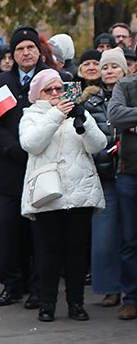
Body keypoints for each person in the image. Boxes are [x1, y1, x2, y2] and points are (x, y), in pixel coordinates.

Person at [0, 26, 70, 311]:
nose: (25, 53)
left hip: (43, 168)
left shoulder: (55, 79)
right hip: (9, 169)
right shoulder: (1, 82)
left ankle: (37, 288)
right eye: (19, 49)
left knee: (39, 234)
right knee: (6, 230)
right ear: (12, 54)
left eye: (30, 47)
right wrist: (12, 148)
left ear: (39, 50)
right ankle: (11, 285)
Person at [19, 69, 105, 322]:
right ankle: (47, 304)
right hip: (49, 194)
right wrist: (56, 114)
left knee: (76, 251)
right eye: (49, 90)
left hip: (80, 192)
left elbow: (97, 145)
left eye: (60, 88)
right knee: (50, 251)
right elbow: (32, 144)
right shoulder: (31, 115)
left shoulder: (78, 111)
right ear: (38, 94)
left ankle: (76, 303)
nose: (56, 93)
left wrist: (85, 122)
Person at [85, 48, 126, 308]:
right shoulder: (91, 103)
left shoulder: (131, 97)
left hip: (129, 172)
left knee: (130, 236)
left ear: (126, 70)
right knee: (103, 237)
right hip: (103, 177)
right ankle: (110, 288)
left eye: (115, 67)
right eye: (106, 67)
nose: (109, 71)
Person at [107, 59, 137, 320]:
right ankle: (131, 299)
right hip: (130, 173)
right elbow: (115, 115)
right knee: (129, 240)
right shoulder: (125, 85)